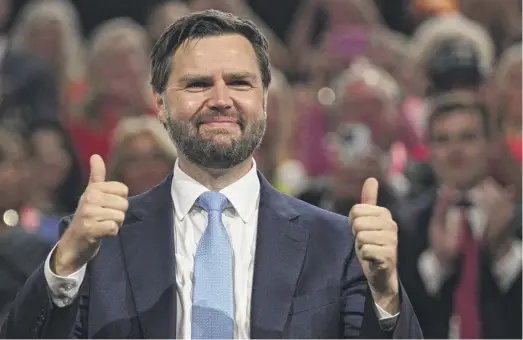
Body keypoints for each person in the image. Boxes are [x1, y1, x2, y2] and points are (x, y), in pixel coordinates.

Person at [0, 10, 422, 338]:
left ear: (265, 100)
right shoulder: (98, 243)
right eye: (199, 84)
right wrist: (64, 265)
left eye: (239, 83)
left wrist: (385, 294)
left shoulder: (335, 243)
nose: (221, 100)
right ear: (161, 104)